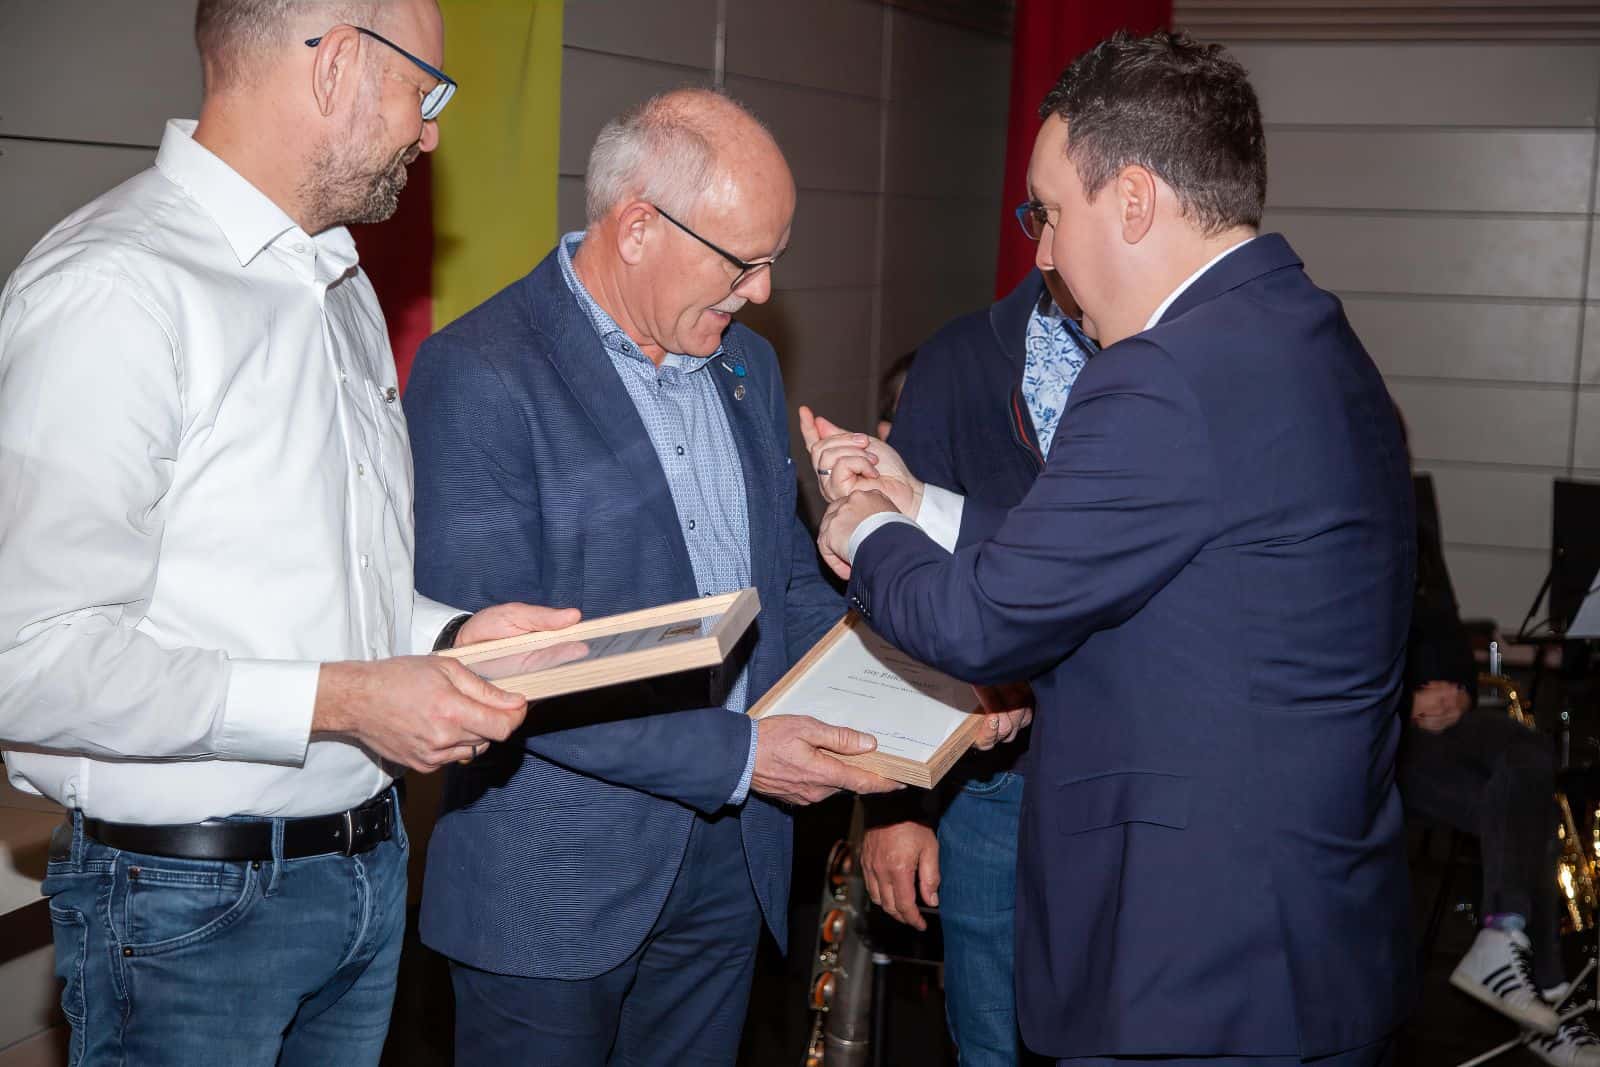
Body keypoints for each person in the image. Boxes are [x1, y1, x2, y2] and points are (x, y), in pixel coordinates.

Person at [806, 30, 1415, 1065]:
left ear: (1132, 200)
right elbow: (1149, 556)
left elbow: (980, 623)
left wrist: (865, 524)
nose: (1042, 254)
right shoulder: (1305, 331)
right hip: (1303, 924)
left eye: (1049, 212)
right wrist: (926, 504)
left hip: (1193, 959)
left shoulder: (1163, 373)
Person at [0, 2, 574, 1064]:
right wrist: (347, 701)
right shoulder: (115, 287)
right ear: (339, 64)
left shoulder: (336, 281)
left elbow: (320, 588)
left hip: (365, 868)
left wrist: (452, 637)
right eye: (424, 91)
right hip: (185, 903)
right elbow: (29, 661)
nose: (429, 132)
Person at [402, 89, 958, 1066]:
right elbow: (499, 668)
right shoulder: (481, 372)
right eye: (743, 262)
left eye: (774, 259)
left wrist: (931, 678)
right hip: (556, 892)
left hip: (731, 867)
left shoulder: (745, 366)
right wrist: (739, 755)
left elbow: (783, 581)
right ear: (637, 228)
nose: (762, 291)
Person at [846, 263, 1095, 1067]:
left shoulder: (1169, 362)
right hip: (990, 784)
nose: (1049, 243)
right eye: (1040, 216)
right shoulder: (959, 358)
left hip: (1128, 782)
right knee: (991, 1042)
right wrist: (894, 805)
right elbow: (896, 583)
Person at [1401, 474, 1596, 1064]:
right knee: (1522, 810)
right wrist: (1404, 703)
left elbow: (1445, 635)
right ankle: (1550, 998)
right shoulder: (1328, 539)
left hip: (1452, 719)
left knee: (1527, 751)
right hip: (1384, 730)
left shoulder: (1413, 533)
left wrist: (1460, 691)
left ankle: (1503, 937)